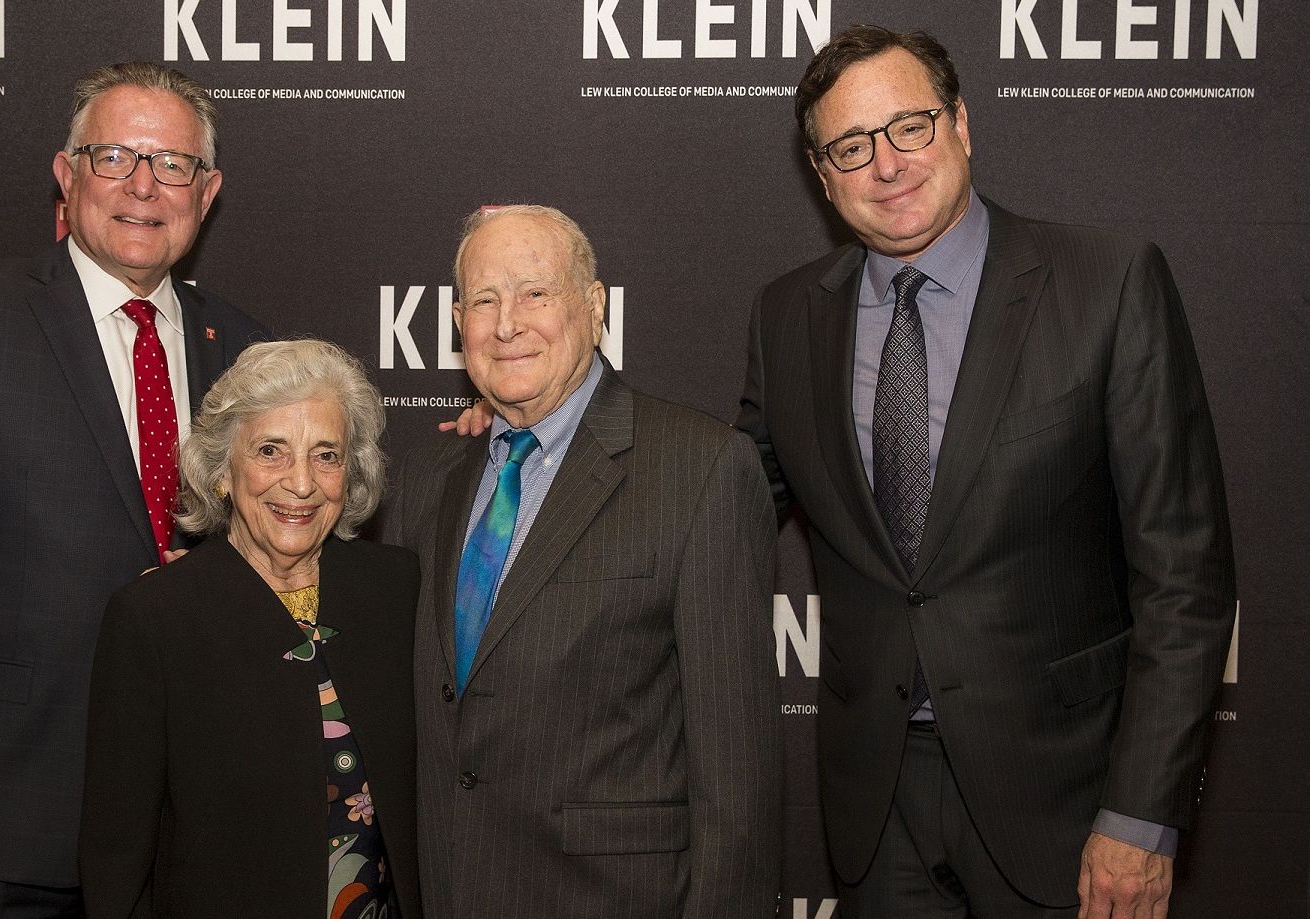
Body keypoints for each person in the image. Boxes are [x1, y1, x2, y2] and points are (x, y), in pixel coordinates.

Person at [735, 25, 1235, 918]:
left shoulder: (1105, 283)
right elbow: (718, 496)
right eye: (851, 146)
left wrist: (1141, 815)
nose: (885, 164)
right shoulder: (785, 317)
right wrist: (547, 416)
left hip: (1070, 799)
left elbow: (1184, 580)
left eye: (909, 127)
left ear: (960, 124)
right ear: (822, 175)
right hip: (874, 802)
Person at [0, 61, 269, 918]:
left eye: (173, 164)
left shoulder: (245, 351)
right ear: (65, 172)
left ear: (209, 189)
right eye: (113, 157)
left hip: (184, 833)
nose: (143, 186)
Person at [388, 205, 781, 919]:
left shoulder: (699, 468)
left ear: (593, 307)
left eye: (535, 292)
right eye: (483, 299)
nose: (507, 323)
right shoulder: (425, 478)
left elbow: (737, 776)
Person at [79, 339, 421, 919]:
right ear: (221, 471)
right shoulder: (156, 618)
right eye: (271, 450)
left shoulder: (396, 590)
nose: (301, 483)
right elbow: (116, 859)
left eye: (326, 455)